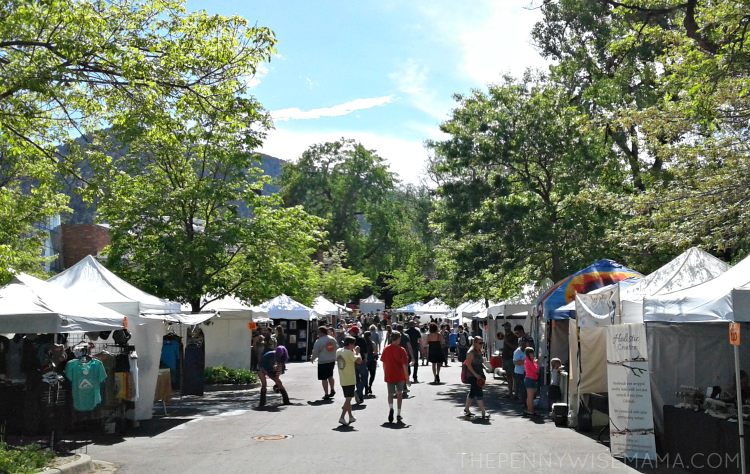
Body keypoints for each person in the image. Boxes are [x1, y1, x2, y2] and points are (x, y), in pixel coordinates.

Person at [381, 331, 410, 423]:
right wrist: (407, 378)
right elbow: (405, 365)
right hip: (400, 374)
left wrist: (385, 372)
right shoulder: (402, 350)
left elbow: (384, 363)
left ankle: (391, 407)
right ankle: (398, 413)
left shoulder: (386, 349)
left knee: (390, 393)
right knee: (399, 393)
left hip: (389, 373)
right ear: (398, 339)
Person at [336, 336, 362, 426]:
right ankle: (342, 417)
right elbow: (359, 361)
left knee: (348, 398)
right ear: (350, 344)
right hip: (350, 379)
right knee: (348, 399)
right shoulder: (349, 353)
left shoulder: (339, 351)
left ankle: (350, 416)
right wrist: (358, 352)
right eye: (353, 344)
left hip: (342, 378)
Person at [464, 336, 488, 419]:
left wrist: (485, 368)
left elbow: (481, 363)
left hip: (480, 374)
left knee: (472, 392)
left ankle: (466, 409)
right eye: (480, 343)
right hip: (473, 376)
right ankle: (483, 411)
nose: (482, 345)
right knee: (479, 393)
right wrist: (475, 374)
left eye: (482, 343)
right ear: (475, 343)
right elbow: (468, 365)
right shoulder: (471, 352)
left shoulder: (479, 351)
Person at [311, 327, 338, 399]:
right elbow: (336, 348)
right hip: (332, 360)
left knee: (324, 378)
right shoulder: (332, 339)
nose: (317, 334)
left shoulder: (319, 341)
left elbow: (315, 351)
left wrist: (312, 358)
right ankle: (332, 389)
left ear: (321, 333)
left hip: (323, 361)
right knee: (330, 376)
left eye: (318, 332)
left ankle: (326, 394)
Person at [349, 326, 369, 404]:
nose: (350, 332)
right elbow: (365, 351)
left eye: (351, 331)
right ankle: (359, 393)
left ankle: (359, 396)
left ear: (354, 332)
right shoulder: (361, 340)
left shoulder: (350, 341)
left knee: (357, 379)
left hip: (353, 361)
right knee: (364, 378)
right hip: (361, 361)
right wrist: (366, 358)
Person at [501, 322, 519, 399]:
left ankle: (516, 394)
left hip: (511, 357)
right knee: (508, 375)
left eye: (506, 327)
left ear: (509, 327)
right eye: (504, 327)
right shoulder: (506, 336)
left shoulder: (513, 336)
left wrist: (507, 342)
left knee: (513, 375)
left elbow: (515, 347)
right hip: (505, 357)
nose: (505, 328)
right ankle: (510, 392)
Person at [395, 324, 414, 393]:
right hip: (405, 355)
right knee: (406, 370)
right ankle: (404, 385)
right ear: (403, 329)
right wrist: (412, 356)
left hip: (395, 356)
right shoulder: (406, 336)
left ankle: (398, 386)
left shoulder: (394, 336)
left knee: (397, 370)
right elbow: (409, 346)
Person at [523, 347, 539, 417]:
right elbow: (535, 370)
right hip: (530, 378)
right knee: (531, 397)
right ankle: (531, 411)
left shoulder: (526, 361)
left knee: (529, 397)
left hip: (527, 378)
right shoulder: (529, 362)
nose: (533, 354)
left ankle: (530, 410)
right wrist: (535, 363)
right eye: (532, 353)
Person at [364, 331, 378, 396]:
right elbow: (375, 352)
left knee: (365, 375)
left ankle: (366, 387)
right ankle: (370, 385)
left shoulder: (363, 343)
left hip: (365, 361)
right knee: (372, 374)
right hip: (371, 360)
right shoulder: (372, 343)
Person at [513, 339, 527, 404]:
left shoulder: (528, 350)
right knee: (522, 387)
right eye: (524, 343)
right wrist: (525, 361)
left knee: (527, 387)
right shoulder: (517, 352)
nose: (525, 345)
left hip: (527, 372)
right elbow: (515, 362)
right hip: (519, 372)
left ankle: (526, 400)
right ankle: (523, 401)